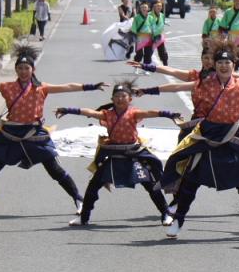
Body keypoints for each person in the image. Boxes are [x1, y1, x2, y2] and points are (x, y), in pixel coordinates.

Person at [0, 44, 106, 215]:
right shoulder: (7, 87)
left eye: (26, 68)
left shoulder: (42, 88)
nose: (23, 71)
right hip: (10, 136)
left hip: (34, 135)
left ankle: (78, 199)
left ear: (33, 69)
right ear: (16, 70)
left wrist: (92, 86)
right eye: (19, 68)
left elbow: (68, 86)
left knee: (55, 171)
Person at [150, 40, 239, 239]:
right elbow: (176, 86)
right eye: (220, 62)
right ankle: (179, 220)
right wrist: (146, 91)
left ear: (234, 65)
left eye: (228, 62)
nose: (224, 66)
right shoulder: (204, 83)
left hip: (233, 136)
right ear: (214, 65)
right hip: (207, 135)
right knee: (192, 178)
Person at [54, 82, 179, 227]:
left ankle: (165, 214)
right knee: (93, 186)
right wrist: (68, 110)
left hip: (133, 155)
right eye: (117, 96)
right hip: (114, 155)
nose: (120, 99)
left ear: (130, 99)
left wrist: (169, 114)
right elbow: (89, 112)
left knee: (150, 185)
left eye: (123, 96)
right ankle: (84, 217)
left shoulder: (134, 113)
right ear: (112, 99)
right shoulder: (107, 115)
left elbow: (151, 112)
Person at [149, 0, 169, 66]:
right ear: (154, 7)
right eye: (157, 6)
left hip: (159, 37)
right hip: (151, 37)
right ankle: (146, 67)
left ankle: (166, 66)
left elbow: (162, 26)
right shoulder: (149, 15)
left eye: (160, 6)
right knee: (149, 53)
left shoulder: (162, 15)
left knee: (163, 53)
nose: (159, 7)